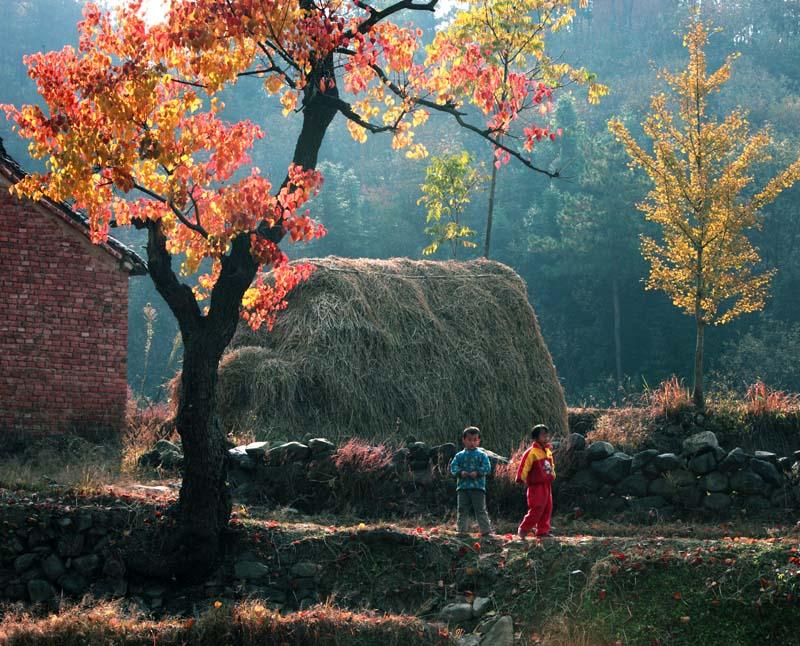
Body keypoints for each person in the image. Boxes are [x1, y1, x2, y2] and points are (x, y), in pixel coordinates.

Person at [449, 426, 493, 536]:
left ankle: (486, 531)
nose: (472, 443)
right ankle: (461, 531)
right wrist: (460, 472)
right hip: (463, 488)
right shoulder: (459, 455)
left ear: (479, 441)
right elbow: (453, 467)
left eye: (475, 440)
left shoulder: (482, 455)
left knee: (480, 510)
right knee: (462, 509)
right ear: (463, 440)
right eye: (469, 440)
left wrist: (477, 472)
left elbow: (487, 468)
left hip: (478, 488)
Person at [515, 424, 556, 539]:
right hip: (536, 485)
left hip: (546, 485)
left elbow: (551, 465)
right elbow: (524, 466)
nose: (546, 438)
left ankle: (543, 530)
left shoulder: (548, 451)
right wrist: (520, 477)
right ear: (535, 438)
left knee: (547, 507)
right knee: (537, 507)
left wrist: (553, 474)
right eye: (543, 435)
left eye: (547, 435)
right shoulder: (531, 452)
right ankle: (524, 528)